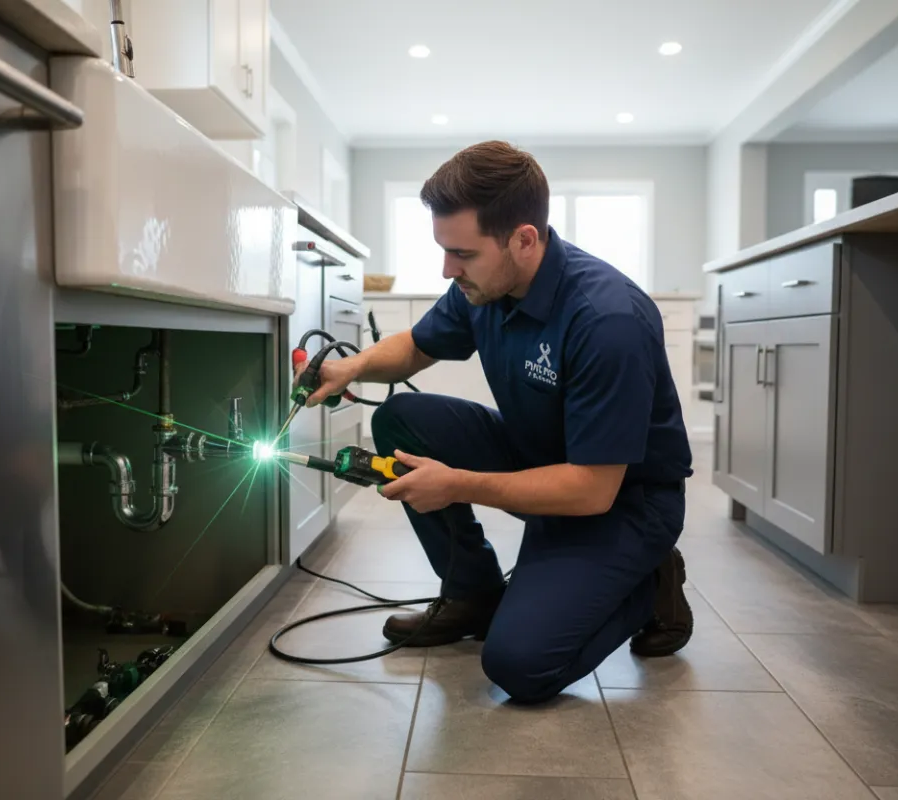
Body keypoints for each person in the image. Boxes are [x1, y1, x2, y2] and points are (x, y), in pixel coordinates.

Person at [297, 141, 693, 704]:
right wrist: (351, 366)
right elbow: (416, 346)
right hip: (540, 460)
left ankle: (648, 579)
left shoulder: (607, 321)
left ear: (523, 238)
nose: (446, 268)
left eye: (462, 253)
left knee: (520, 665)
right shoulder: (484, 286)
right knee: (403, 417)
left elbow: (591, 489)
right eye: (443, 250)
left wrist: (456, 484)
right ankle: (472, 595)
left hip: (620, 500)